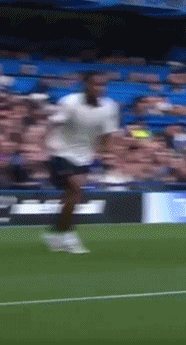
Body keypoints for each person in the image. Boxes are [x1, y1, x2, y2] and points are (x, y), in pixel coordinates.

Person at [41, 71, 119, 254]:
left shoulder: (110, 106)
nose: (99, 88)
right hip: (61, 151)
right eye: (95, 84)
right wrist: (43, 145)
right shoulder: (69, 102)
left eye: (102, 85)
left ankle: (56, 232)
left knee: (72, 197)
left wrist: (104, 152)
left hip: (85, 156)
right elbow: (53, 124)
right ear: (86, 85)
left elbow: (108, 133)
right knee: (76, 190)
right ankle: (70, 236)